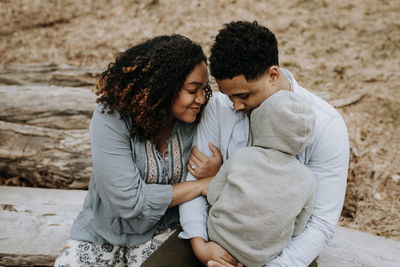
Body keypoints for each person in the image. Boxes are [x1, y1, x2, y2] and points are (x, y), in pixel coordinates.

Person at [178, 21, 350, 267]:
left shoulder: (326, 126)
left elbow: (319, 223)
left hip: (279, 255)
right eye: (229, 95)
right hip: (212, 238)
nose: (235, 106)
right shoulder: (219, 106)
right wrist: (200, 245)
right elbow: (194, 183)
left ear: (273, 75)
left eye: (244, 95)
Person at [54, 35, 212, 267]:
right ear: (164, 88)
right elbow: (127, 201)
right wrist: (199, 185)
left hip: (165, 231)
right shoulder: (111, 117)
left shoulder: (200, 118)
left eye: (204, 88)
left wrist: (216, 170)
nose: (201, 98)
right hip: (103, 231)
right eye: (192, 90)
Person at [207, 90, 316, 267]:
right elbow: (297, 228)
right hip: (261, 257)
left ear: (260, 122)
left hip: (219, 237)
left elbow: (213, 195)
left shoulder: (242, 156)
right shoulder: (307, 178)